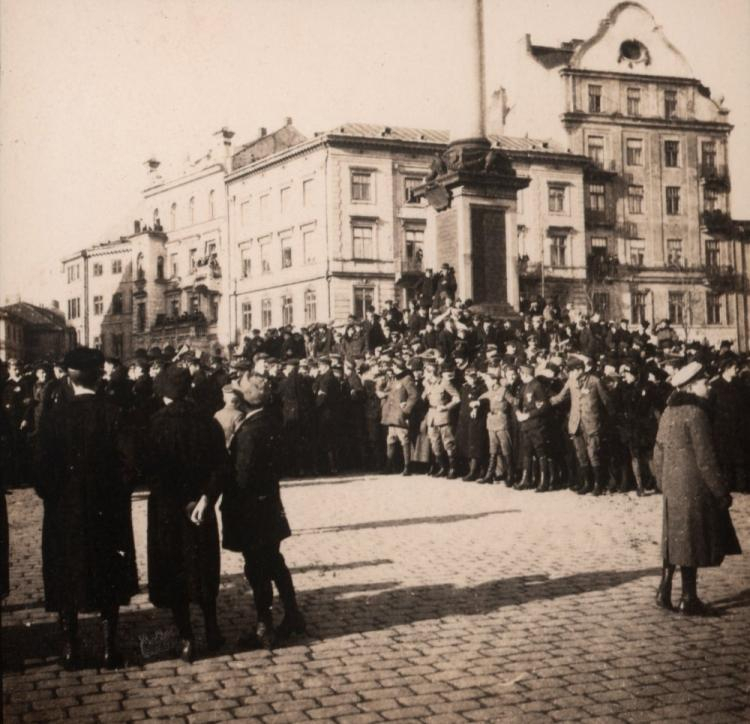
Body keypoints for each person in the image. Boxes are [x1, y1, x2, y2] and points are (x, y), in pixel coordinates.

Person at [34, 347, 139, 669]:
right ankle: (109, 649)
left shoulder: (54, 417)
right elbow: (131, 465)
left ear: (69, 377)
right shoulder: (114, 412)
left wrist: (56, 496)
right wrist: (115, 495)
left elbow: (39, 471)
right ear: (98, 376)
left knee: (65, 575)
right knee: (108, 574)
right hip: (107, 512)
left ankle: (71, 648)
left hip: (64, 512)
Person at [222, 372, 305, 649]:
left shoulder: (249, 431)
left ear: (246, 399)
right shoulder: (270, 421)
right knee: (274, 561)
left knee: (256, 568)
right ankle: (293, 614)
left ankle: (264, 626)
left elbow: (242, 476)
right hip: (269, 503)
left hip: (250, 509)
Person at [651, 361, 742, 615]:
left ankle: (664, 590)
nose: (708, 387)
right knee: (692, 542)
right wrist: (721, 491)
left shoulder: (669, 411)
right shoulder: (696, 413)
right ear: (691, 386)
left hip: (673, 487)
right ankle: (689, 599)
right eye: (703, 383)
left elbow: (657, 451)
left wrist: (662, 481)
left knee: (674, 540)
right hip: (695, 488)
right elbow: (706, 458)